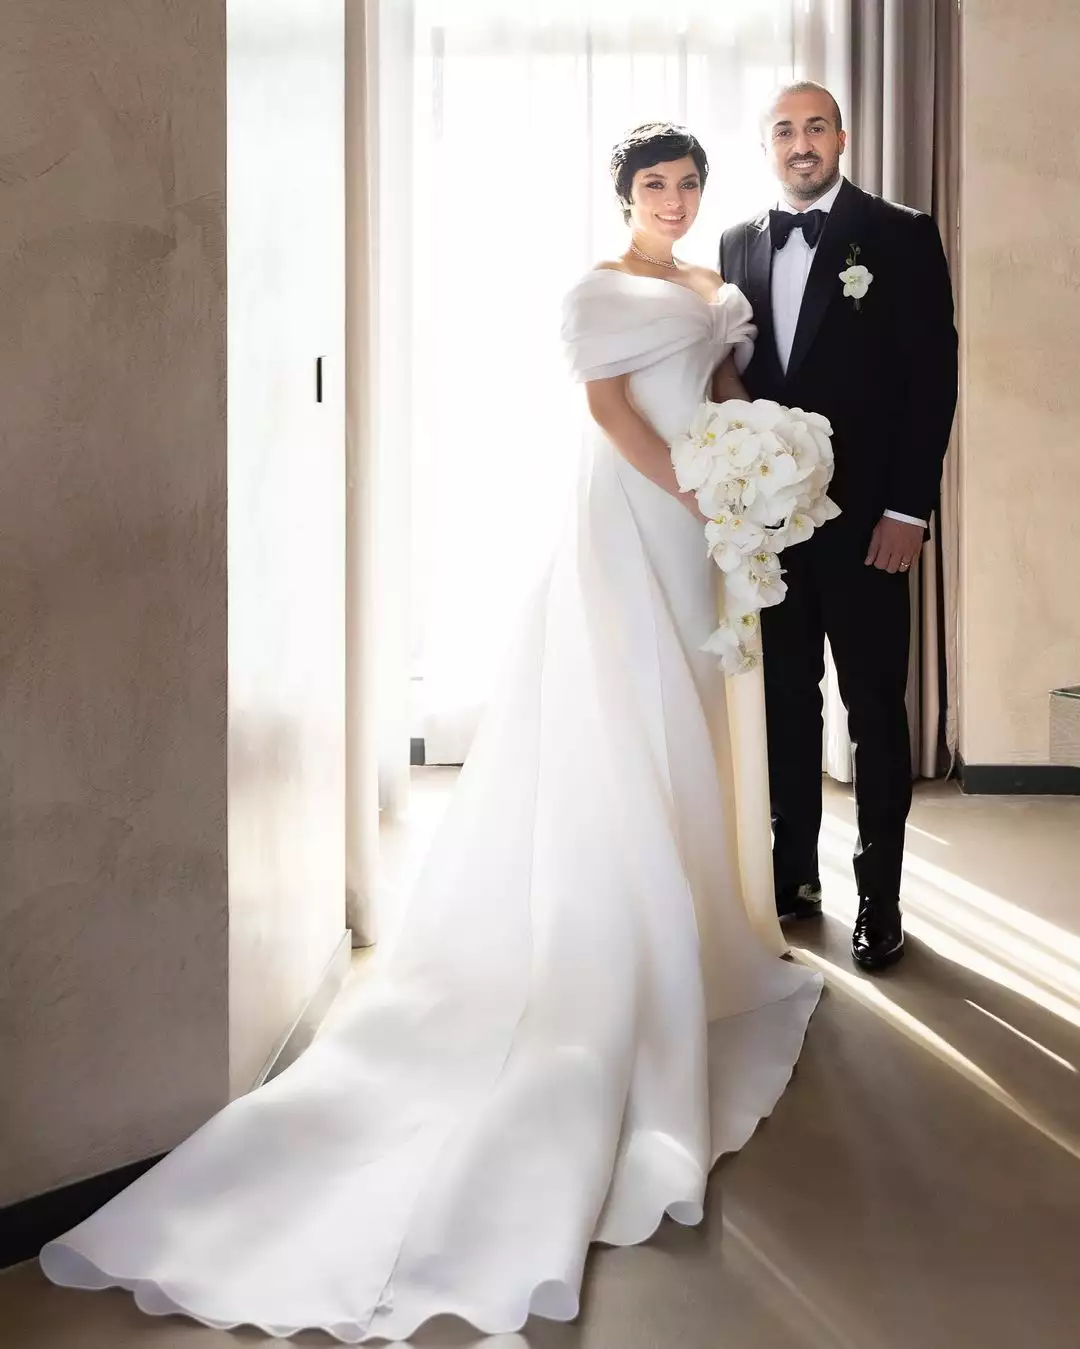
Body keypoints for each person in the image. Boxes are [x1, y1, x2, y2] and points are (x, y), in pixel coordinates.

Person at [39, 124, 821, 1342]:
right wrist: (695, 485)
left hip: (703, 522)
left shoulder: (713, 286)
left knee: (696, 701)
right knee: (633, 706)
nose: (672, 200)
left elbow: (720, 390)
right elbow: (613, 412)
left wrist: (755, 454)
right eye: (652, 185)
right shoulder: (597, 289)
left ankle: (697, 913)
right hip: (634, 512)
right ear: (623, 194)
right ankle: (623, 930)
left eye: (685, 183)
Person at [720, 82, 959, 973]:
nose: (801, 142)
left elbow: (932, 380)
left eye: (815, 126)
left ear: (843, 137)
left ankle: (880, 900)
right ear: (767, 146)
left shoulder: (900, 233)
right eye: (784, 130)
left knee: (875, 711)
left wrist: (907, 509)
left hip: (869, 525)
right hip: (774, 530)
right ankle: (792, 876)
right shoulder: (737, 242)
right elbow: (739, 377)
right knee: (785, 704)